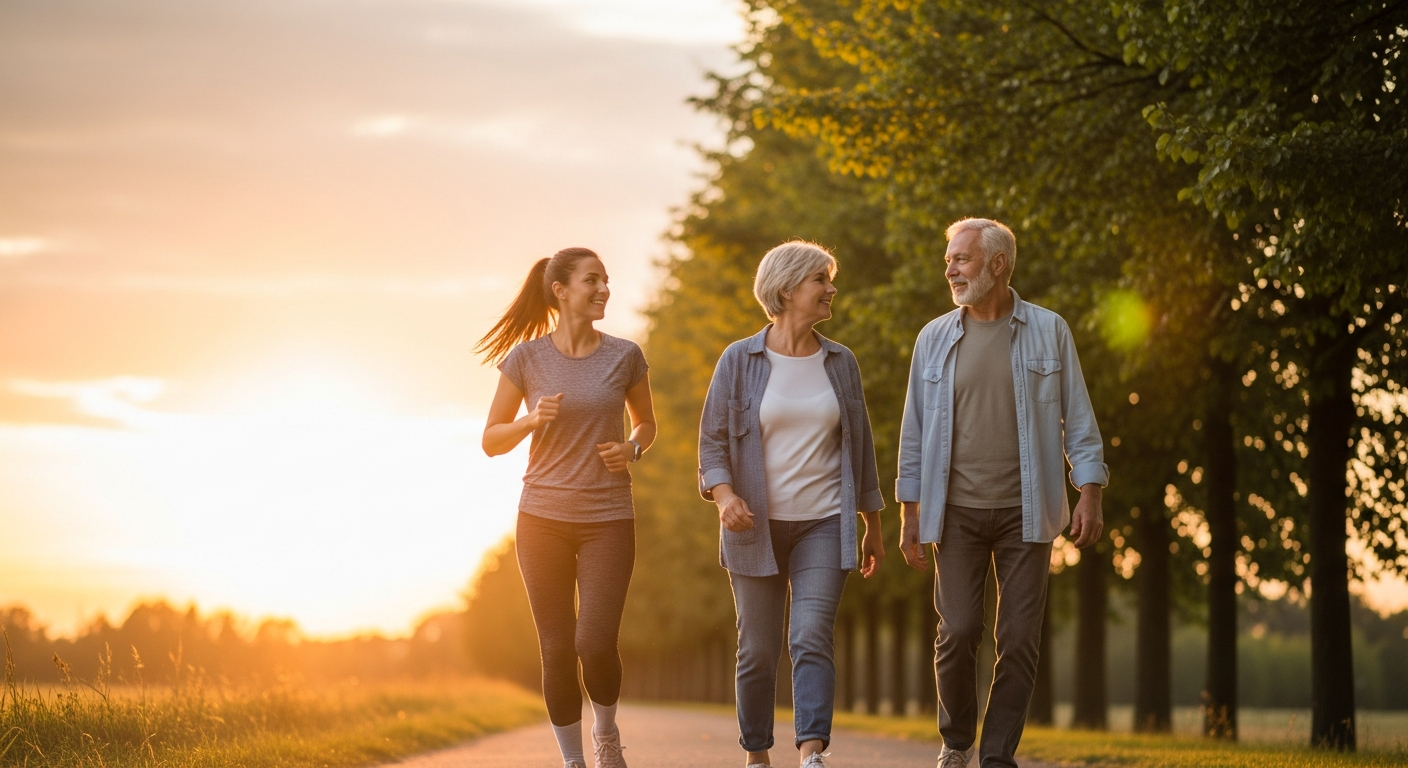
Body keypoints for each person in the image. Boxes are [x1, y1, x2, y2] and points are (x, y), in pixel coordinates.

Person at [896, 218, 1108, 768]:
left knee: (1018, 640)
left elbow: (1078, 420)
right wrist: (908, 512)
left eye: (961, 259)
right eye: (949, 258)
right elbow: (914, 430)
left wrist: (1090, 492)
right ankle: (958, 740)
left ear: (998, 264)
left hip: (1028, 513)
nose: (950, 268)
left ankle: (996, 757)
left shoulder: (1049, 330)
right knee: (959, 629)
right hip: (956, 511)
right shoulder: (933, 338)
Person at [699, 240, 886, 768]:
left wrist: (872, 524)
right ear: (786, 290)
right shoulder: (740, 360)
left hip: (824, 523)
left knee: (810, 635)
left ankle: (810, 753)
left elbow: (862, 445)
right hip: (754, 525)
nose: (831, 289)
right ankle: (757, 754)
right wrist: (725, 495)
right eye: (820, 281)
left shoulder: (840, 361)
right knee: (757, 651)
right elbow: (712, 442)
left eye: (829, 280)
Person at [477, 247, 655, 768]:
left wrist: (633, 448)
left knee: (594, 642)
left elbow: (646, 422)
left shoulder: (625, 355)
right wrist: (531, 422)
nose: (603, 290)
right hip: (542, 520)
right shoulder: (527, 359)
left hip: (608, 519)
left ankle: (605, 734)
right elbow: (491, 440)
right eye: (592, 280)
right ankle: (573, 762)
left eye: (606, 281)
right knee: (556, 648)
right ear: (561, 290)